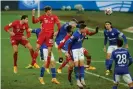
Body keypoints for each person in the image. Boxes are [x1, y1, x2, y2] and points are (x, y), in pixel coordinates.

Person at [31, 6, 61, 83]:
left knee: (52, 59)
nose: (51, 12)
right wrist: (33, 15)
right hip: (44, 39)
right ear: (47, 11)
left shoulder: (54, 17)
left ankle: (53, 78)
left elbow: (59, 25)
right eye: (50, 11)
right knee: (38, 49)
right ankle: (34, 63)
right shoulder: (42, 17)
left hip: (50, 36)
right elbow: (34, 22)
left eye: (51, 11)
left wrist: (57, 31)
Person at [64, 24, 87, 88]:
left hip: (80, 49)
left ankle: (82, 79)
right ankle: (77, 81)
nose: (86, 30)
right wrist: (66, 52)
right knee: (76, 65)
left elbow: (80, 41)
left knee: (82, 64)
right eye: (84, 29)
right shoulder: (75, 35)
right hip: (75, 51)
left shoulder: (82, 33)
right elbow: (67, 43)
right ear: (81, 29)